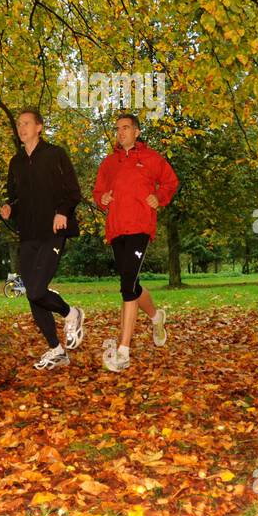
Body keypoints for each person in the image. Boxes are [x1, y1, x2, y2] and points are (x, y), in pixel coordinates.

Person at [91, 112, 179, 372]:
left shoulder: (151, 158)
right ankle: (156, 316)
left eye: (126, 128)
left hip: (141, 226)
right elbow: (98, 191)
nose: (121, 132)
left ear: (137, 131)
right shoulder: (109, 163)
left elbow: (170, 182)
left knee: (128, 284)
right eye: (118, 129)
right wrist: (102, 198)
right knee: (132, 282)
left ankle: (123, 350)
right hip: (116, 229)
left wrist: (159, 197)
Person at [1, 107, 86, 370]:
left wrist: (62, 212)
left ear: (39, 127)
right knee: (29, 293)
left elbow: (73, 192)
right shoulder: (15, 162)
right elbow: (13, 196)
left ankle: (72, 313)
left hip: (53, 232)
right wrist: (9, 209)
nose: (21, 128)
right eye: (18, 124)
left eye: (26, 123)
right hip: (27, 235)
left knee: (36, 289)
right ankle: (56, 350)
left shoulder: (55, 154)